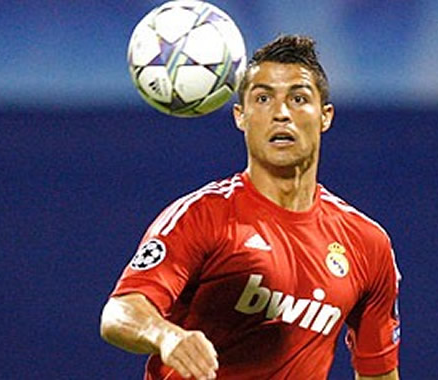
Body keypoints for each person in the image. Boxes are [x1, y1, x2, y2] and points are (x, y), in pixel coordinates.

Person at [100, 34, 401, 380]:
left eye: (299, 98)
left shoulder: (366, 243)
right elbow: (121, 312)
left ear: (325, 116)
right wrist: (167, 335)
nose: (281, 113)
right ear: (241, 116)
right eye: (263, 98)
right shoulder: (203, 216)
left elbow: (378, 371)